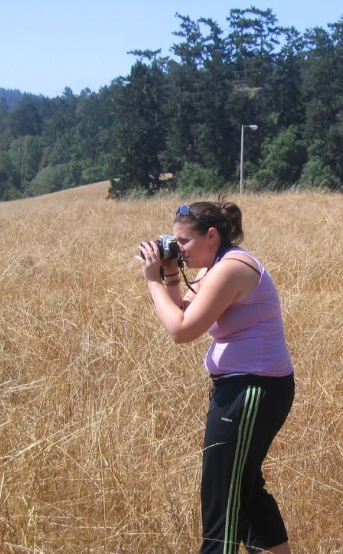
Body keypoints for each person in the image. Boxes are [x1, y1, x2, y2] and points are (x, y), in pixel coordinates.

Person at [137, 201, 294, 553]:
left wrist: (152, 281)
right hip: (246, 389)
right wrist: (172, 274)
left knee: (222, 494)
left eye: (184, 242)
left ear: (211, 235)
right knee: (245, 490)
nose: (179, 249)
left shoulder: (230, 269)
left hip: (252, 390)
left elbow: (181, 331)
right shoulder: (217, 265)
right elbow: (185, 310)